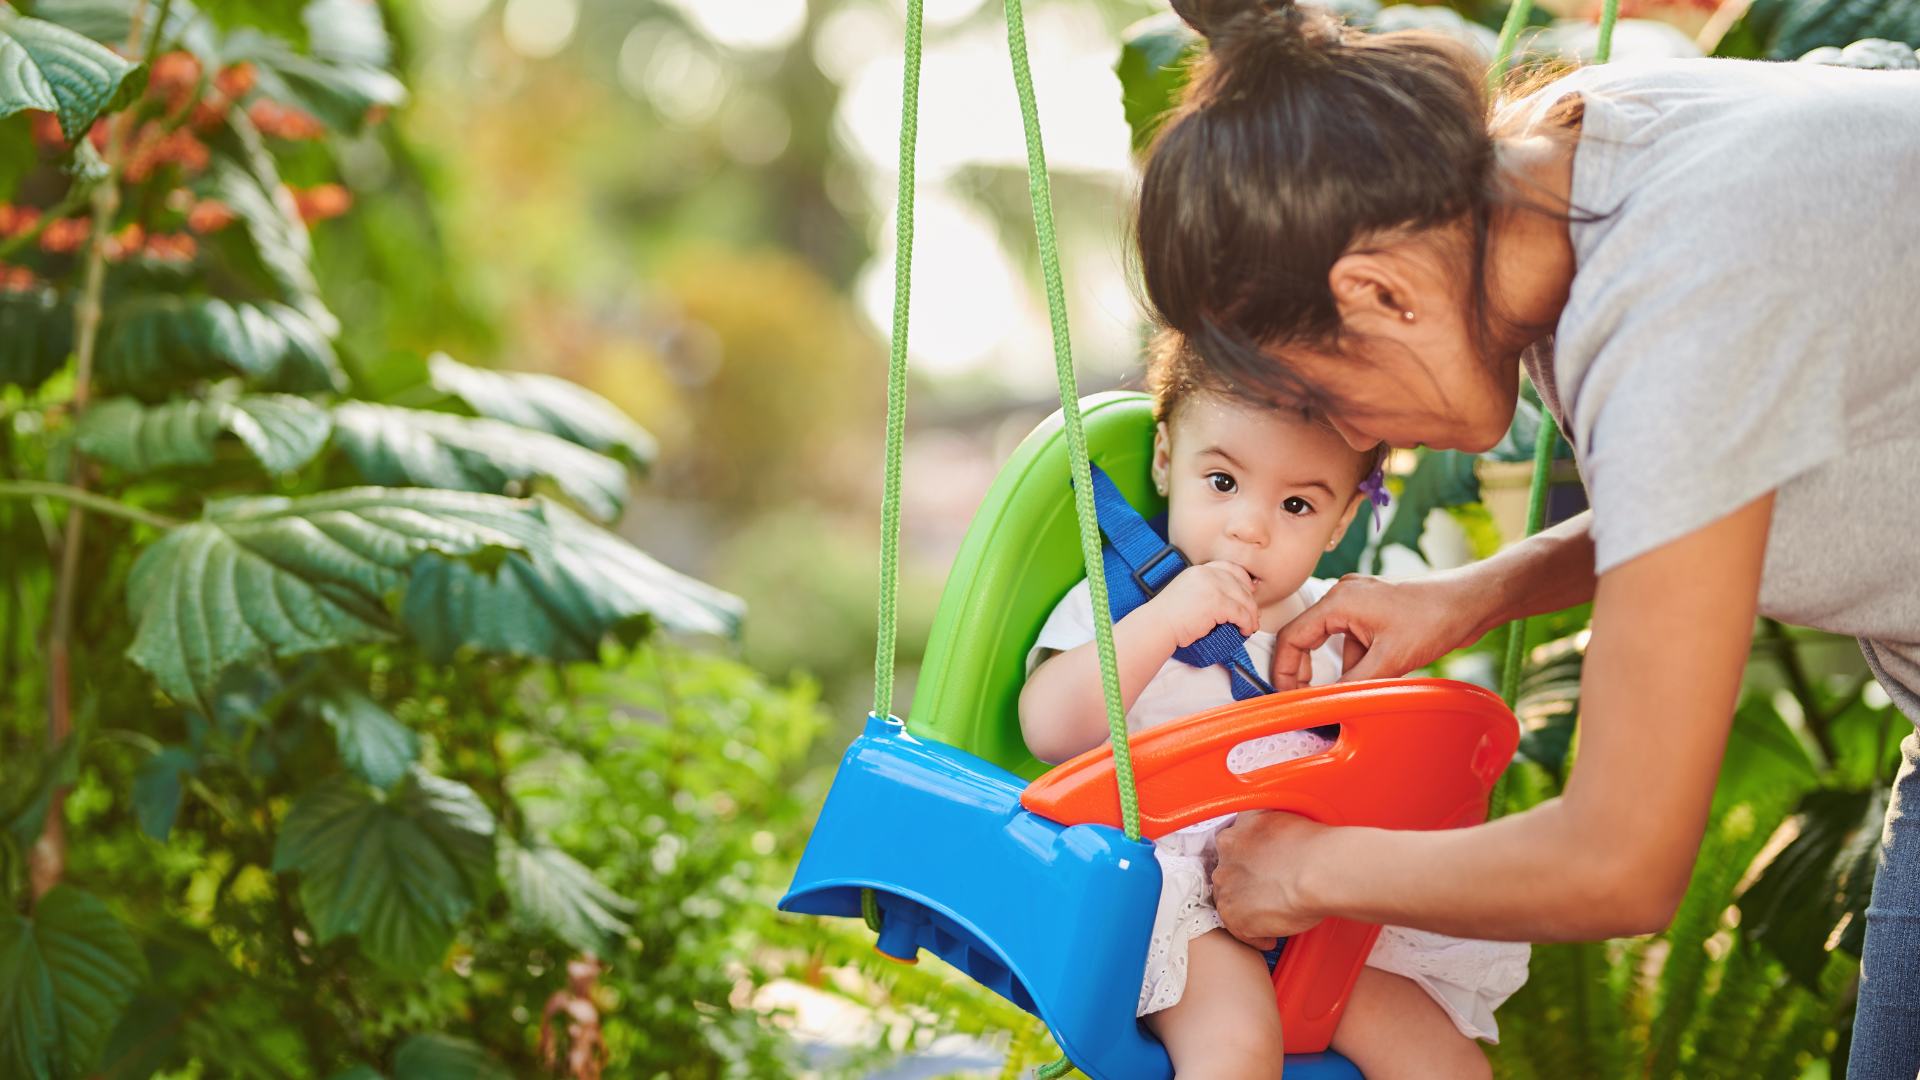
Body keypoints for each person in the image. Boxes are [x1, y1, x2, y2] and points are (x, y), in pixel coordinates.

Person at [1130, 0, 1920, 1074]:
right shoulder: (1571, 164)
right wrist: (1475, 593)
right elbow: (1707, 483)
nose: (1356, 439)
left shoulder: (1676, 298)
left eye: (1326, 395)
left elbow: (1619, 862)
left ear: (1377, 292)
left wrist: (1309, 871)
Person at [1019, 341, 1529, 1080]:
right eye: (1222, 481)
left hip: (1318, 901)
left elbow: (1386, 778)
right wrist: (1165, 624)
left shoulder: (1335, 621)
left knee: (1444, 1063)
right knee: (1237, 1050)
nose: (1249, 527)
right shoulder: (1126, 601)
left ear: (1343, 518)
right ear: (1167, 459)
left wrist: (1354, 709)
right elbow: (1047, 730)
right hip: (1178, 894)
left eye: (1296, 504)